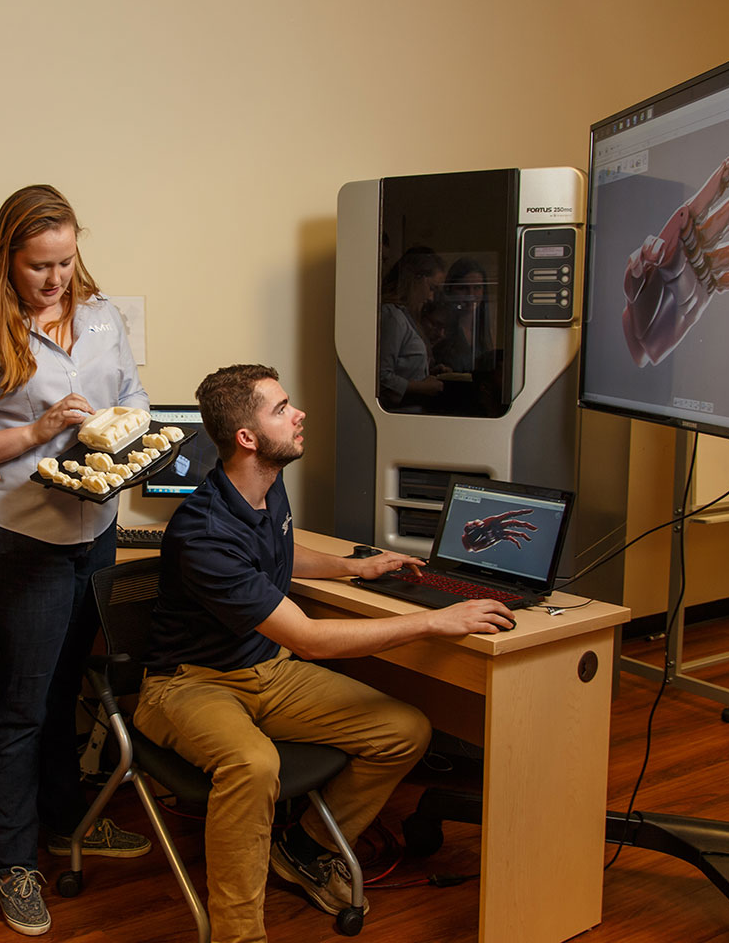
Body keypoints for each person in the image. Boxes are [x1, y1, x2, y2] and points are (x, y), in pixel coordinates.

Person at [134, 363, 516, 943]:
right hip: (189, 684)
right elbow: (309, 639)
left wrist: (352, 566)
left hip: (265, 670)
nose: (299, 413)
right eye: (282, 408)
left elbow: (281, 553)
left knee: (404, 729)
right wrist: (435, 621)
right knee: (254, 765)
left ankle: (305, 846)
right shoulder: (203, 531)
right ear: (247, 437)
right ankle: (238, 935)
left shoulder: (265, 482)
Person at [0, 185, 151, 936]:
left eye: (66, 261)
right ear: (6, 260)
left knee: (66, 692)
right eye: (38, 266)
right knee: (21, 702)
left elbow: (134, 393)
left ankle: (66, 826)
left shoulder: (102, 314)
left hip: (96, 522)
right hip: (18, 534)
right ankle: (8, 863)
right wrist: (38, 430)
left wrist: (131, 428)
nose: (55, 280)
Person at [376, 247, 448, 411]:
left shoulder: (406, 316)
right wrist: (422, 388)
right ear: (416, 279)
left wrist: (428, 373)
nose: (431, 297)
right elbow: (381, 378)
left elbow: (404, 366)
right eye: (431, 288)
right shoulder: (392, 316)